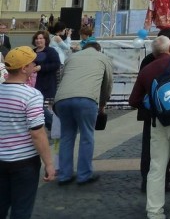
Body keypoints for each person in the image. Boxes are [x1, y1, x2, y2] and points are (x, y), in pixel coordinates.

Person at [128, 35, 170, 219]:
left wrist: (153, 106)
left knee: (157, 166)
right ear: (169, 49)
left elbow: (133, 100)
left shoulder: (146, 70)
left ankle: (154, 211)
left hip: (158, 121)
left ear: (154, 52)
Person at [0, 46, 56, 218]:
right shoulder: (32, 95)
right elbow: (37, 133)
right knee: (22, 210)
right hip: (24, 162)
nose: (35, 66)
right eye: (33, 63)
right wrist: (49, 163)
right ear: (24, 69)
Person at [53, 38, 113, 185]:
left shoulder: (71, 57)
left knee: (66, 136)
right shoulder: (103, 58)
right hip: (86, 99)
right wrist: (102, 104)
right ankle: (84, 174)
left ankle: (64, 175)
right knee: (87, 136)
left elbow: (62, 78)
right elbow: (108, 83)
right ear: (98, 49)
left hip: (62, 100)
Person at [136, 28, 170, 192]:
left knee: (149, 146)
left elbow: (137, 92)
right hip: (168, 109)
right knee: (168, 146)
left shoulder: (146, 60)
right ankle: (162, 179)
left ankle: (147, 181)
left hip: (149, 111)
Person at [31, 31, 60, 130]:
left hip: (46, 84)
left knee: (39, 107)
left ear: (45, 40)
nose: (38, 40)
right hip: (33, 85)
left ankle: (52, 126)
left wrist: (41, 67)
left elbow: (56, 64)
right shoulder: (32, 52)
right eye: (37, 38)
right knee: (37, 107)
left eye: (41, 38)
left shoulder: (51, 51)